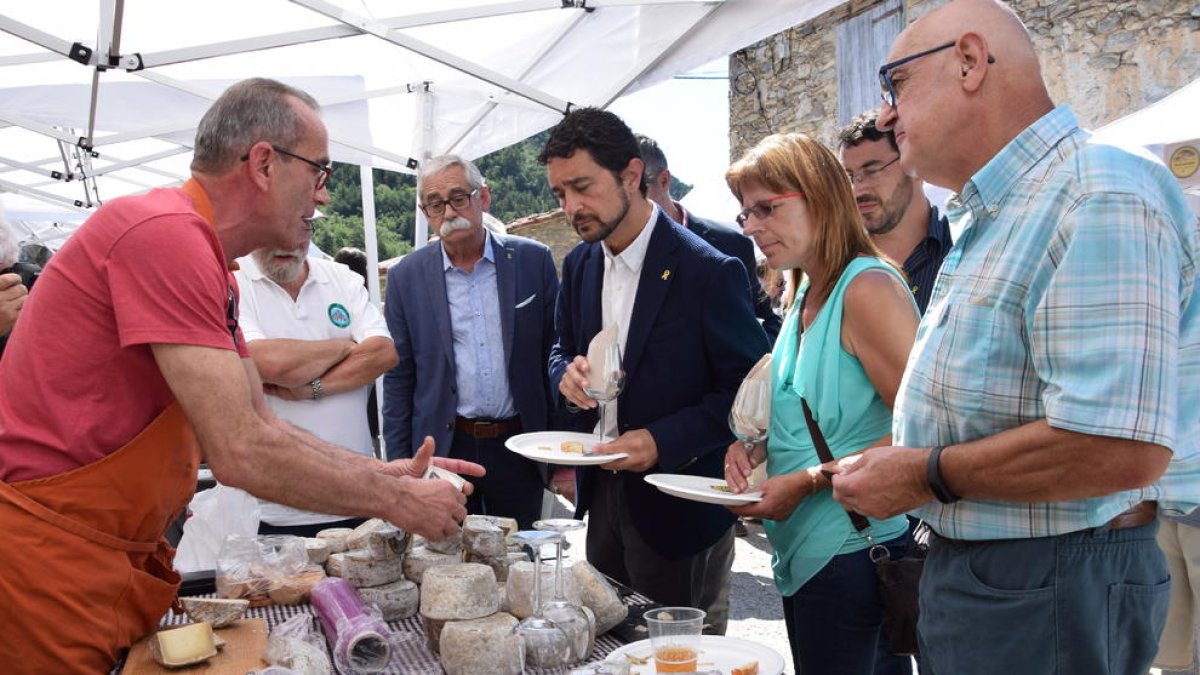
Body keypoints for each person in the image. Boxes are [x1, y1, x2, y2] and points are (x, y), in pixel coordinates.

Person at [0, 78, 481, 672]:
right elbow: (242, 451)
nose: (323, 197)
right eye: (319, 173)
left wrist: (383, 471)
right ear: (263, 163)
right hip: (52, 558)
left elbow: (259, 419)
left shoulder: (206, 260)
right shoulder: (163, 233)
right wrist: (398, 501)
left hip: (99, 554)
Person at [830, 2, 1200, 673]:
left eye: (896, 84)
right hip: (1009, 579)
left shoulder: (1098, 189)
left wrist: (923, 473)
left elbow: (1118, 446)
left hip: (1047, 581)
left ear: (970, 61)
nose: (886, 114)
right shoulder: (1012, 204)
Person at [543, 107, 769, 634]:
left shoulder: (707, 269)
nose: (571, 207)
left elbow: (746, 392)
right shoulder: (579, 264)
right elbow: (560, 348)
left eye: (582, 187)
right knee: (612, 649)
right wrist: (565, 376)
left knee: (677, 659)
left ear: (631, 174)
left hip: (680, 509)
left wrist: (662, 440)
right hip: (601, 498)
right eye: (559, 194)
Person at [722, 132, 920, 673]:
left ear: (821, 196)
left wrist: (807, 481)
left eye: (767, 207)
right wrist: (754, 449)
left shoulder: (866, 287)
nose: (753, 226)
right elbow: (813, 412)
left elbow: (921, 429)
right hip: (816, 553)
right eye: (745, 214)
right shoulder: (808, 290)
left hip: (856, 549)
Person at [383, 154, 559, 529]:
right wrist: (399, 464)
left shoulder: (533, 261)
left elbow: (553, 357)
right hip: (443, 449)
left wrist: (560, 458)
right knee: (446, 563)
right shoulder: (406, 278)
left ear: (483, 198)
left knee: (515, 559)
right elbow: (400, 378)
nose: (448, 211)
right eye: (435, 203)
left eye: (458, 197)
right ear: (425, 212)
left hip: (519, 445)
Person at [235, 235, 398, 538]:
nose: (286, 241)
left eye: (297, 226)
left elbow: (383, 353)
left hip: (359, 500)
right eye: (275, 229)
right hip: (275, 511)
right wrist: (345, 345)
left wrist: (313, 388)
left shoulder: (340, 277)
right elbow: (268, 363)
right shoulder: (233, 279)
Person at [636, 133, 782, 342]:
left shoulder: (731, 245)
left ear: (664, 180)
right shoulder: (606, 257)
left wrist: (747, 359)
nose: (627, 205)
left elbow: (767, 321)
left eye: (637, 189)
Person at [837, 110, 952, 315]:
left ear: (914, 165)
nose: (858, 190)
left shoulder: (963, 246)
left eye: (872, 171)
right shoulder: (838, 263)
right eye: (850, 177)